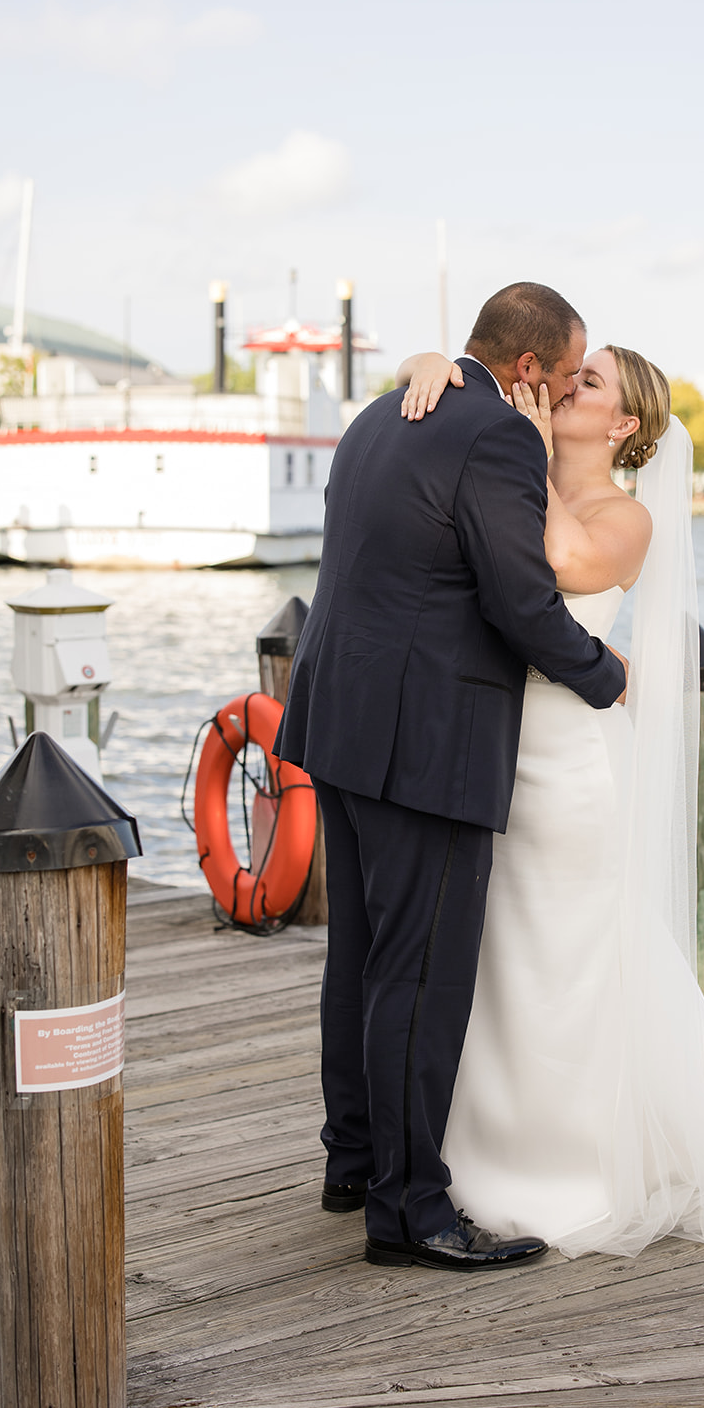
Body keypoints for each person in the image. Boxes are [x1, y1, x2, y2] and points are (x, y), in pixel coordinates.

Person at [398, 344, 704, 1256]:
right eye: (573, 371)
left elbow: (556, 560)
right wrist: (436, 362)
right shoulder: (513, 462)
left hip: (570, 767)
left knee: (564, 954)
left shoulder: (624, 518)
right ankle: (477, 1152)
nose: (571, 384)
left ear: (624, 427)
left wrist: (523, 447)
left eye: (593, 382)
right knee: (495, 956)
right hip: (491, 749)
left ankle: (567, 1167)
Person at [274, 282, 628, 1270]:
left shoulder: (380, 413)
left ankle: (352, 1162)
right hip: (421, 739)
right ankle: (410, 1212)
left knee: (358, 960)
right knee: (416, 976)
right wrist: (605, 676)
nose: (558, 403)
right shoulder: (500, 437)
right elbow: (519, 599)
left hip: (339, 720)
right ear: (528, 369)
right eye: (561, 382)